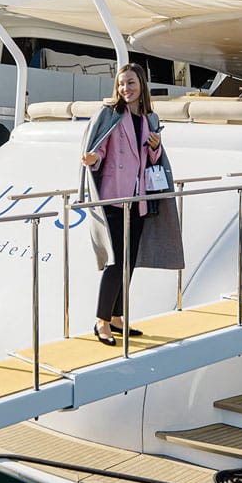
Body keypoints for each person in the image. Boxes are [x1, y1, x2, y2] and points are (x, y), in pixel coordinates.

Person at [80, 63, 184, 345]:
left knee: (129, 262)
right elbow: (99, 149)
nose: (126, 88)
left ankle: (116, 317)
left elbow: (153, 161)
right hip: (114, 197)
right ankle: (101, 321)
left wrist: (155, 146)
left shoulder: (150, 117)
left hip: (139, 200)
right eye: (122, 83)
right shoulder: (111, 114)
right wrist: (93, 159)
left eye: (131, 83)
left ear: (142, 86)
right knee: (116, 261)